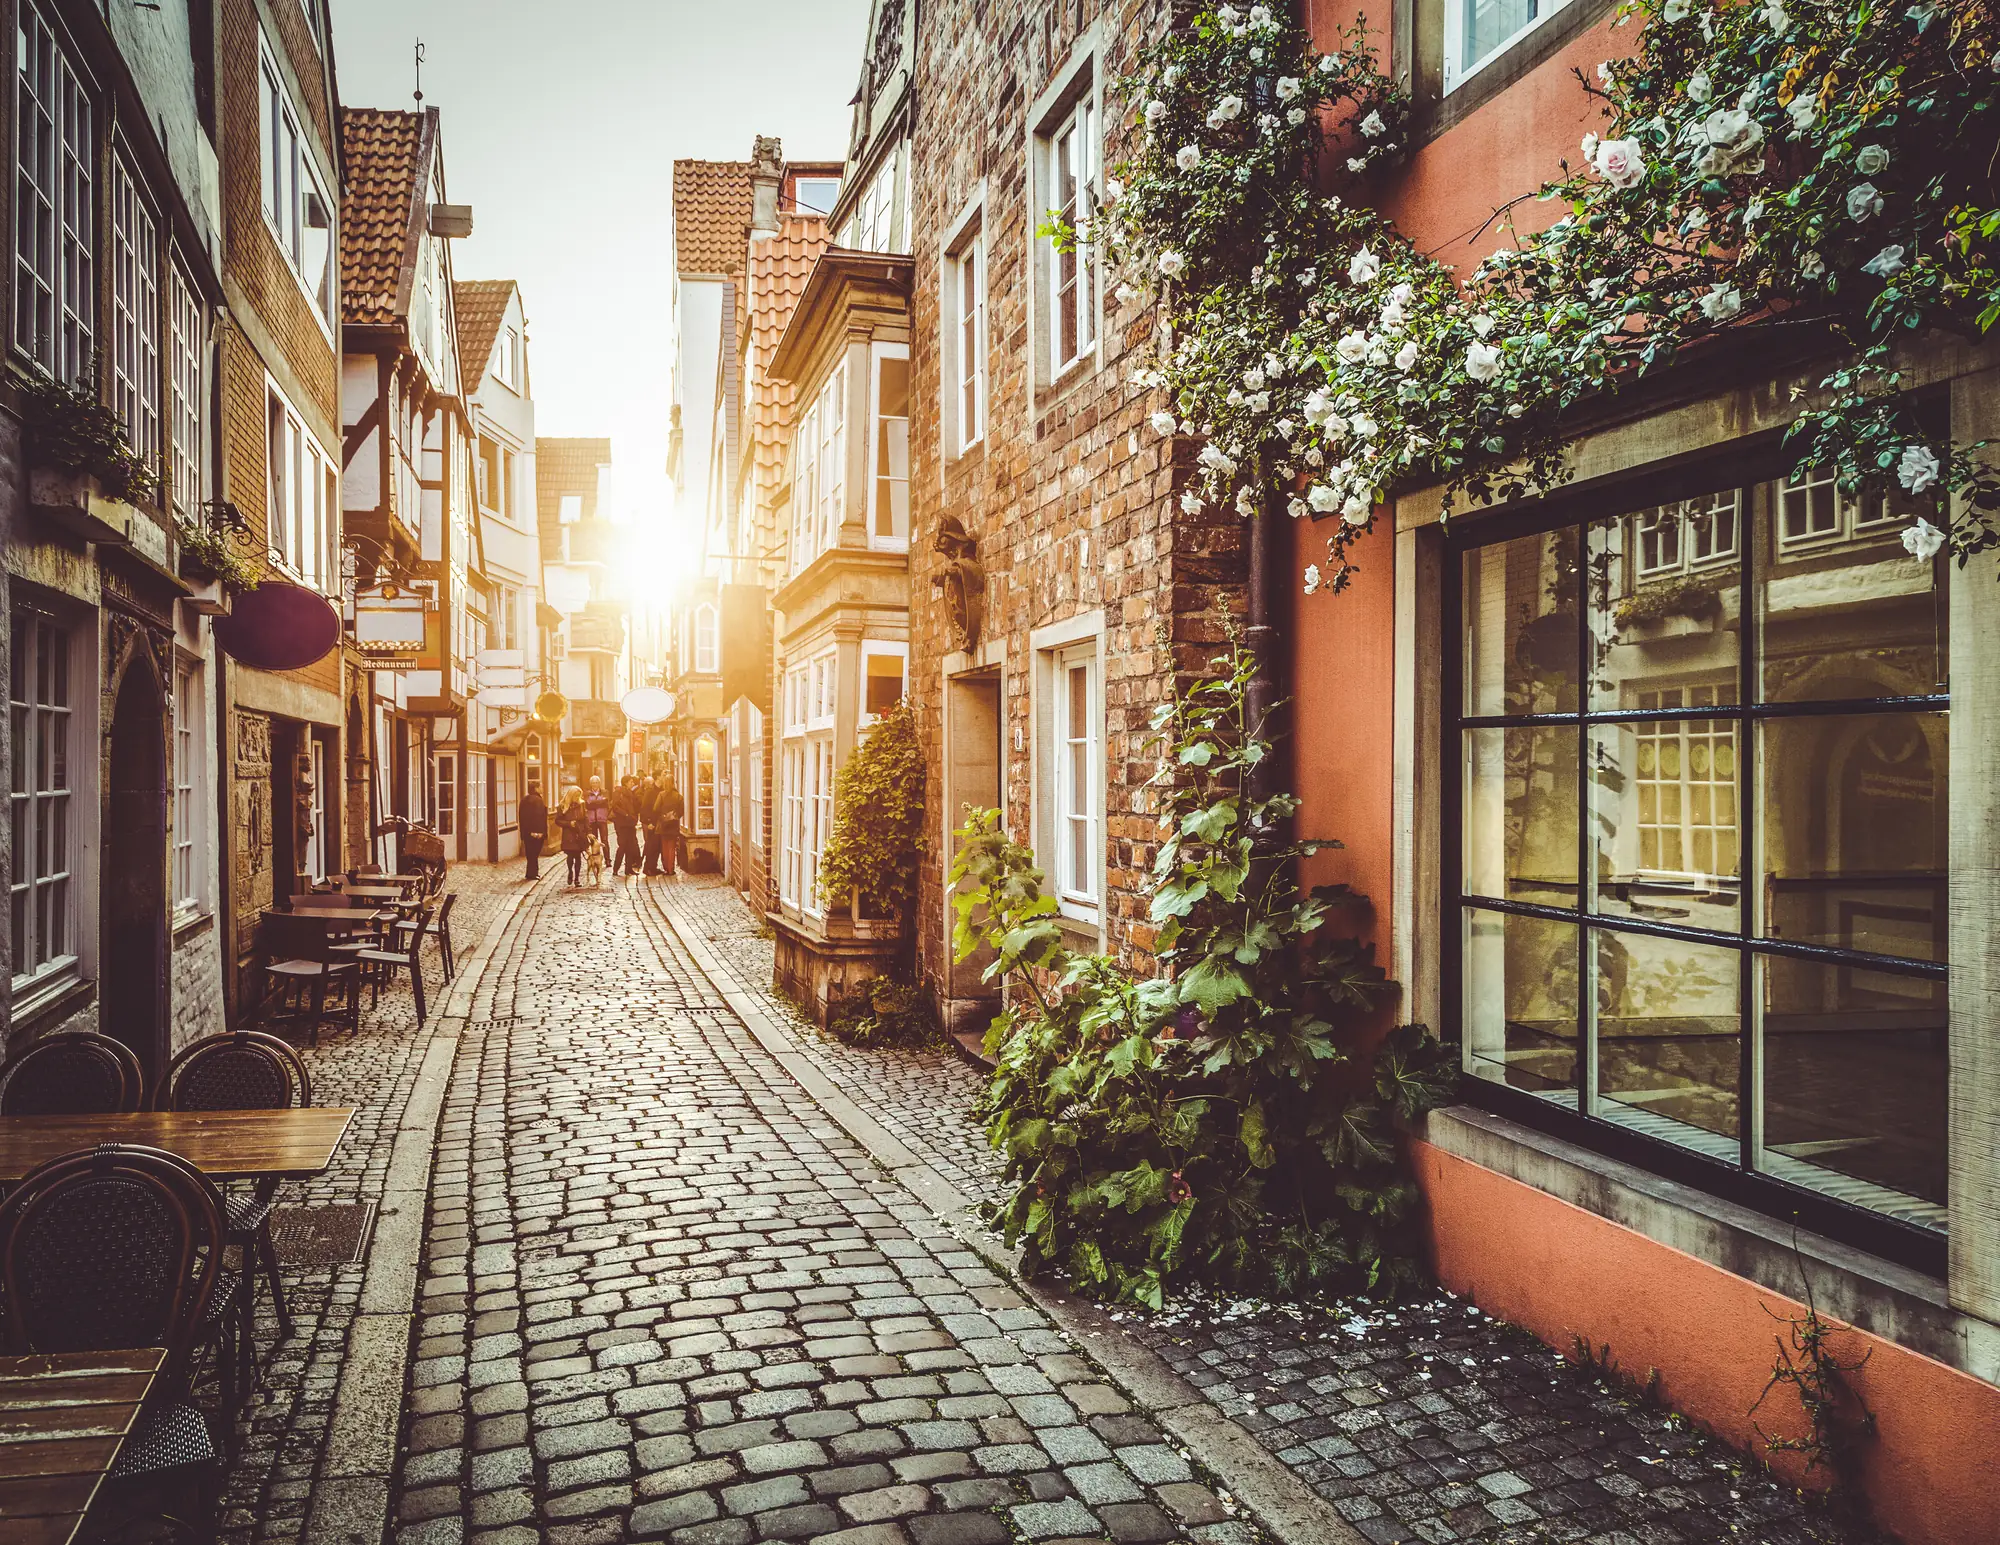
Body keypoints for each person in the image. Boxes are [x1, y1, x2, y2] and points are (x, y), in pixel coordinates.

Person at [555, 786, 590, 887]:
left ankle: (577, 879)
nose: (577, 797)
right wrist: (569, 824)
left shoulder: (582, 804)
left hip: (579, 834)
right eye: (575, 795)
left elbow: (585, 819)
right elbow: (557, 820)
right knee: (570, 856)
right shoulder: (562, 806)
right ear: (571, 795)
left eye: (579, 795)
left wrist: (588, 831)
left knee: (578, 857)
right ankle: (570, 871)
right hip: (569, 835)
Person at [610, 775, 642, 877]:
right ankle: (615, 869)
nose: (633, 784)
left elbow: (635, 806)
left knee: (631, 847)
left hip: (630, 823)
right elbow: (615, 807)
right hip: (621, 824)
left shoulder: (631, 793)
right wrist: (626, 815)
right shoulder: (618, 792)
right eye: (631, 782)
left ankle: (628, 869)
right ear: (626, 783)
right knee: (622, 846)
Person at [519, 783, 548, 881]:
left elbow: (522, 818)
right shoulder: (538, 800)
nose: (542, 789)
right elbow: (539, 818)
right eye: (541, 787)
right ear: (536, 788)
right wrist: (539, 832)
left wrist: (526, 831)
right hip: (536, 832)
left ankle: (530, 873)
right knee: (534, 853)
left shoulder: (524, 800)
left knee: (530, 852)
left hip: (527, 832)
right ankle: (533, 873)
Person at [657, 778, 685, 879]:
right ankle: (671, 869)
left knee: (665, 847)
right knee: (672, 847)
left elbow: (656, 808)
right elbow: (682, 811)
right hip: (674, 824)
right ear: (673, 783)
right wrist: (675, 816)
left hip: (664, 824)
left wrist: (663, 816)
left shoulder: (661, 795)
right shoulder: (678, 797)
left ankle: (666, 868)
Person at [639, 773, 666, 877]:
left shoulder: (662, 791)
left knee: (658, 846)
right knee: (651, 846)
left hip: (659, 822)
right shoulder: (650, 791)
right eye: (663, 775)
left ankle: (653, 867)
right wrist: (648, 821)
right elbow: (644, 807)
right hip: (651, 822)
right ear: (658, 777)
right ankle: (648, 868)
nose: (664, 777)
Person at [585, 776, 612, 866]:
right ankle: (595, 860)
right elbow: (588, 805)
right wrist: (600, 802)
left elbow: (606, 803)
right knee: (594, 841)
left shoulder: (605, 792)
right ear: (591, 784)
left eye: (596, 782)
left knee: (604, 840)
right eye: (593, 783)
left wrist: (594, 804)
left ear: (599, 783)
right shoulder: (587, 794)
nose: (595, 784)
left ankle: (608, 860)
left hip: (602, 819)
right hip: (592, 820)